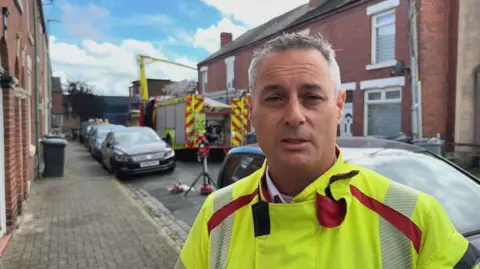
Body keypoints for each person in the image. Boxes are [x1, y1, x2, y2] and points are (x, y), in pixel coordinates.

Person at [175, 33, 480, 269]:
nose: (294, 115)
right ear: (252, 112)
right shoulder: (215, 217)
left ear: (337, 107)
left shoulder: (416, 220)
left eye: (311, 96)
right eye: (274, 98)